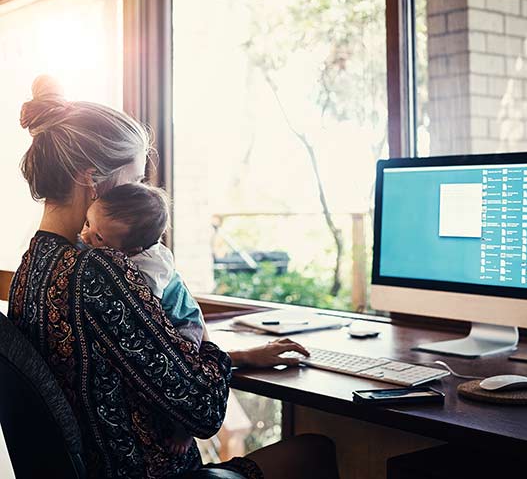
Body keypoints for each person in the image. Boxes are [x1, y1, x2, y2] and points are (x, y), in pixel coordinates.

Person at [10, 75, 340, 479]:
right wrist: (214, 354)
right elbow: (203, 411)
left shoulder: (32, 267)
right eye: (132, 181)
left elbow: (117, 365)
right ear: (91, 180)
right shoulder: (100, 270)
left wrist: (240, 357)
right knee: (314, 451)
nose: (138, 196)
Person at [79, 181, 205, 455]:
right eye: (88, 223)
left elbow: (144, 307)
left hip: (185, 324)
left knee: (180, 376)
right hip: (172, 318)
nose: (85, 235)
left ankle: (184, 429)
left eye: (98, 238)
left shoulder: (150, 268)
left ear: (133, 250)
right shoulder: (121, 251)